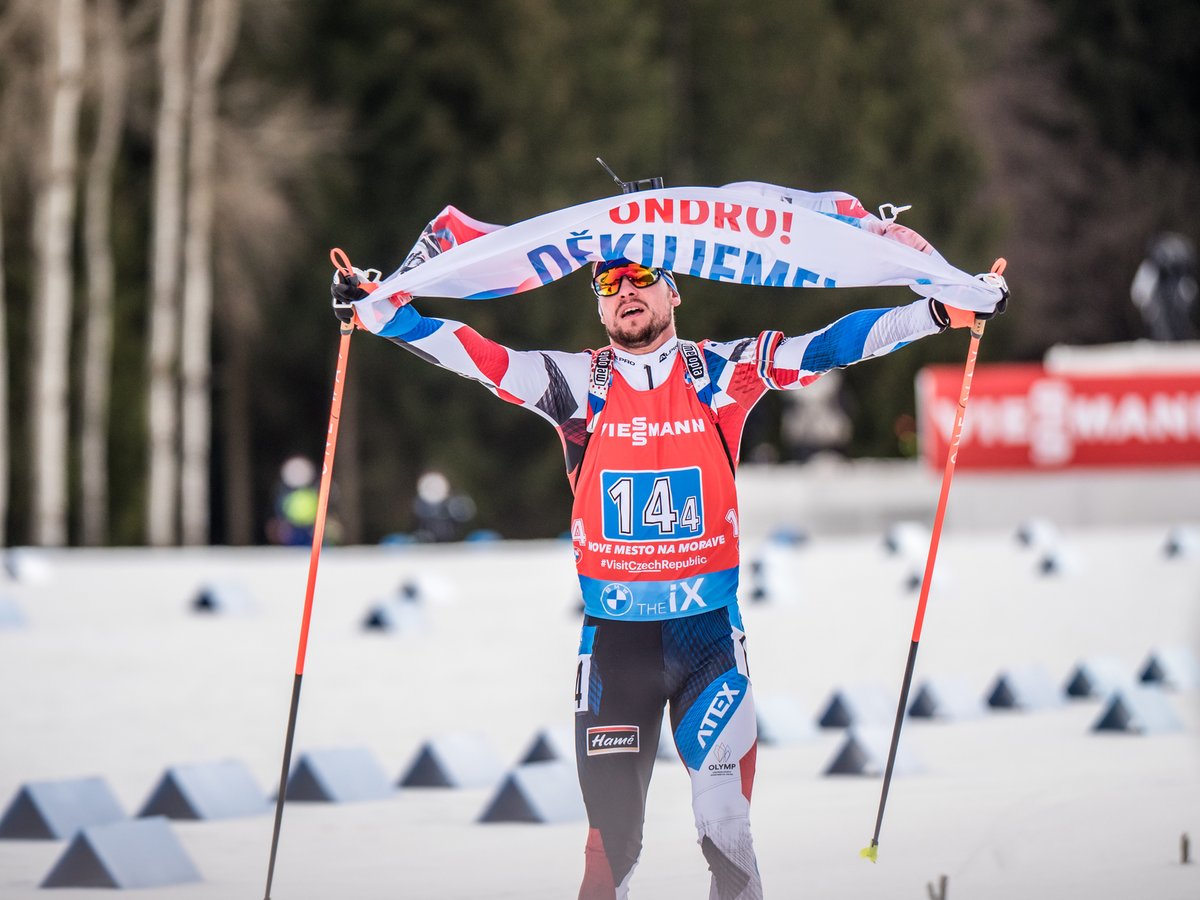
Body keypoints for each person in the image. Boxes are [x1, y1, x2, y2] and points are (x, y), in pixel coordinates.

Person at [332, 232, 1006, 899]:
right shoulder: (575, 382)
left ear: (673, 288)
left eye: (641, 276)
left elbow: (827, 346)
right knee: (611, 853)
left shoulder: (721, 371)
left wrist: (939, 312)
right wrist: (381, 309)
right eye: (608, 283)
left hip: (707, 641)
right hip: (615, 649)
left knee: (725, 826)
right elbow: (478, 356)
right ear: (598, 307)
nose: (625, 290)